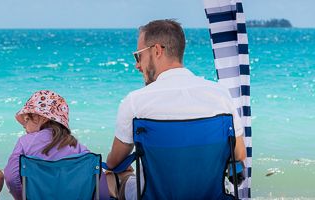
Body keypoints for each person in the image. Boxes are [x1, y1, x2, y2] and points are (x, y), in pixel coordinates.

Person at [105, 19, 247, 200]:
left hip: (153, 196)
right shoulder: (220, 95)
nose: (137, 65)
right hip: (209, 196)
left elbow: (114, 163)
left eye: (138, 56)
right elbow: (239, 155)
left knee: (110, 177)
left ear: (157, 50)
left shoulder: (135, 102)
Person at [3, 90, 109, 199]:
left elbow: (11, 178)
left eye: (26, 119)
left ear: (42, 118)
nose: (24, 126)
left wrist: (23, 197)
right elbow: (102, 192)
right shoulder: (79, 148)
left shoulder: (24, 143)